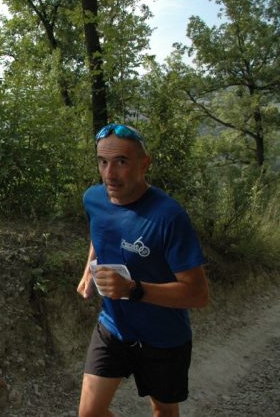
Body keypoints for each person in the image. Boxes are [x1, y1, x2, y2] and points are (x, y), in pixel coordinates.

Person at [76, 123, 209, 417]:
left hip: (163, 337)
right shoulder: (93, 199)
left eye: (121, 162)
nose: (109, 174)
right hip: (113, 326)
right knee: (89, 413)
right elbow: (99, 231)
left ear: (144, 164)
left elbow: (198, 294)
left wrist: (133, 289)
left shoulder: (169, 217)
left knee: (163, 411)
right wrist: (88, 270)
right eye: (102, 162)